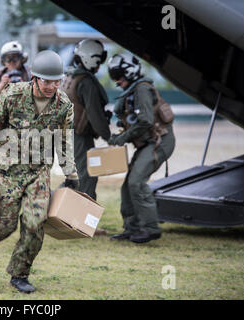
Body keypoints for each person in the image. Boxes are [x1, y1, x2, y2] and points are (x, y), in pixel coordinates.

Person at [0, 50, 78, 293]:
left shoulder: (63, 105)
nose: (51, 86)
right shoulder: (12, 95)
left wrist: (71, 174)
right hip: (7, 172)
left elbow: (65, 141)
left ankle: (19, 274)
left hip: (38, 173)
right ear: (35, 77)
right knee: (4, 224)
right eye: (47, 81)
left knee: (35, 224)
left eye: (56, 81)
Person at [107, 53, 175, 244]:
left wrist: (122, 138)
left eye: (118, 76)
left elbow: (145, 121)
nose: (116, 81)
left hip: (159, 141)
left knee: (136, 182)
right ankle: (132, 228)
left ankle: (150, 228)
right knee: (127, 185)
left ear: (128, 73)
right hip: (149, 142)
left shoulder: (142, 90)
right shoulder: (134, 90)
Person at [61, 39, 111, 201]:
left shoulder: (69, 77)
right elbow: (95, 115)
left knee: (73, 179)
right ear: (92, 58)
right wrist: (110, 136)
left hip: (65, 135)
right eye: (99, 60)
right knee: (87, 178)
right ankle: (86, 226)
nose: (99, 65)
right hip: (79, 138)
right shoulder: (86, 82)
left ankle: (60, 215)